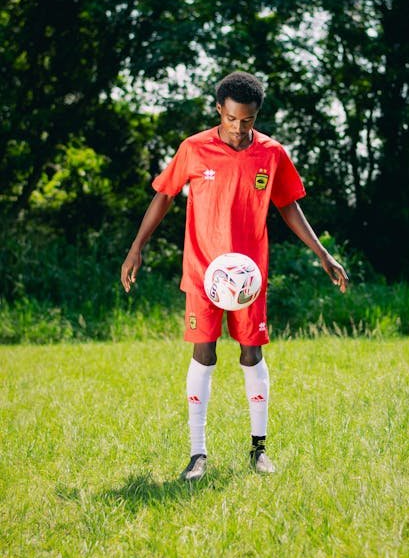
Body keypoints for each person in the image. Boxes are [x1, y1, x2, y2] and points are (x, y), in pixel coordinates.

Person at [121, 71, 348, 481]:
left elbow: (288, 206)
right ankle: (197, 454)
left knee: (251, 354)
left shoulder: (272, 153)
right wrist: (137, 246)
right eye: (232, 119)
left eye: (248, 121)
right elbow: (164, 195)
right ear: (218, 111)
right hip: (203, 274)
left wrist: (323, 254)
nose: (240, 129)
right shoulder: (193, 149)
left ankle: (258, 450)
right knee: (203, 353)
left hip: (248, 277)